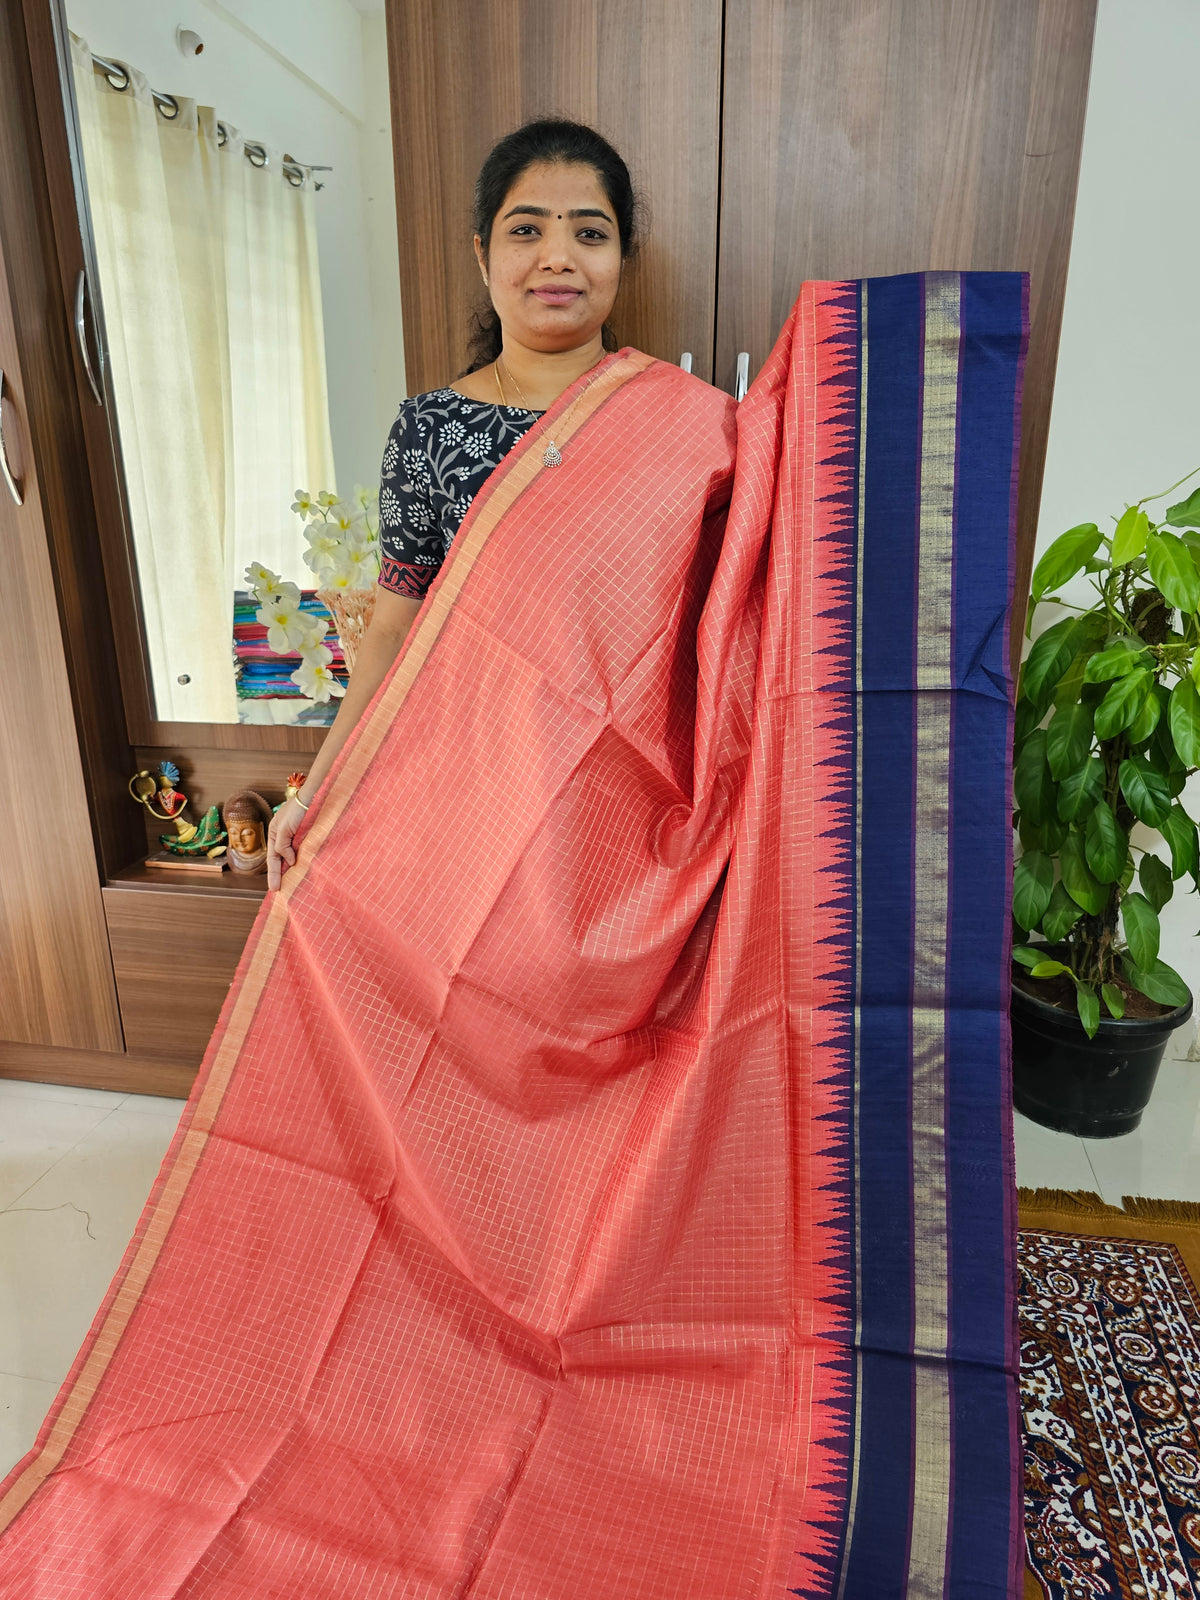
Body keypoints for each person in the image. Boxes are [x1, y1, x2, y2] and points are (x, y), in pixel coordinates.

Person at [267, 118, 645, 891]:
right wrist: (315, 790)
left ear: (621, 257)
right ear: (483, 253)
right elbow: (391, 631)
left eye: (590, 232)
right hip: (476, 791)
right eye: (527, 229)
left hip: (634, 795)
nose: (558, 257)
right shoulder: (429, 429)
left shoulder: (684, 426)